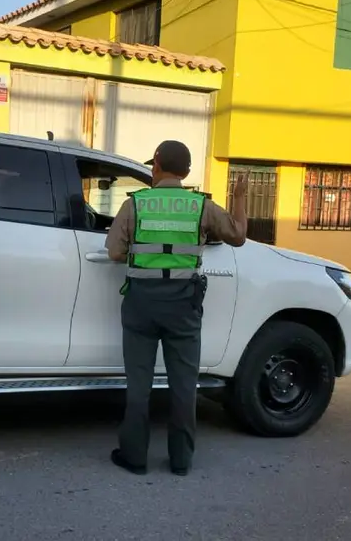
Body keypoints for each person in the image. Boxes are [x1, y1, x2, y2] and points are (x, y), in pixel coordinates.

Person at [104, 139, 249, 476]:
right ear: (185, 172)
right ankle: (181, 460)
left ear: (155, 164)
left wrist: (143, 256)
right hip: (184, 305)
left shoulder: (136, 204)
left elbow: (113, 251)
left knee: (138, 384)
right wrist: (239, 197)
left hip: (141, 303)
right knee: (184, 384)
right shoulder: (200, 206)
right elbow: (238, 236)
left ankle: (134, 457)